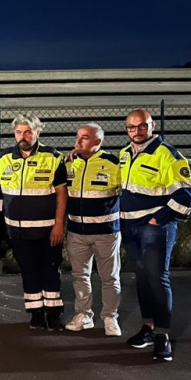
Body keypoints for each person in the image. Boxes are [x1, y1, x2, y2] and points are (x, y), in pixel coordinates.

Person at [0, 113, 68, 331]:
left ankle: (53, 315)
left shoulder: (53, 157)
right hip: (17, 230)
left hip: (47, 229)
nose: (23, 136)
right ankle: (36, 314)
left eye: (28, 131)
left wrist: (59, 224)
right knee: (28, 271)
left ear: (38, 132)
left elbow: (62, 194)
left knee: (50, 270)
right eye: (19, 132)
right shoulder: (4, 158)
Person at [120, 109, 191, 361]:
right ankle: (148, 328)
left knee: (157, 279)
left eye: (142, 126)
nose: (137, 131)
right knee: (142, 279)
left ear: (152, 125)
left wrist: (158, 219)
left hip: (155, 229)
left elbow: (188, 195)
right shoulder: (124, 154)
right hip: (130, 229)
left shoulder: (168, 154)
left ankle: (163, 335)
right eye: (132, 127)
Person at [64, 124, 122, 336]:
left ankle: (110, 318)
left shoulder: (114, 163)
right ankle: (84, 316)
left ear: (98, 142)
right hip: (76, 233)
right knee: (80, 277)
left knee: (110, 278)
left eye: (85, 138)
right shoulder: (69, 163)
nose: (78, 141)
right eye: (78, 137)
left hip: (106, 232)